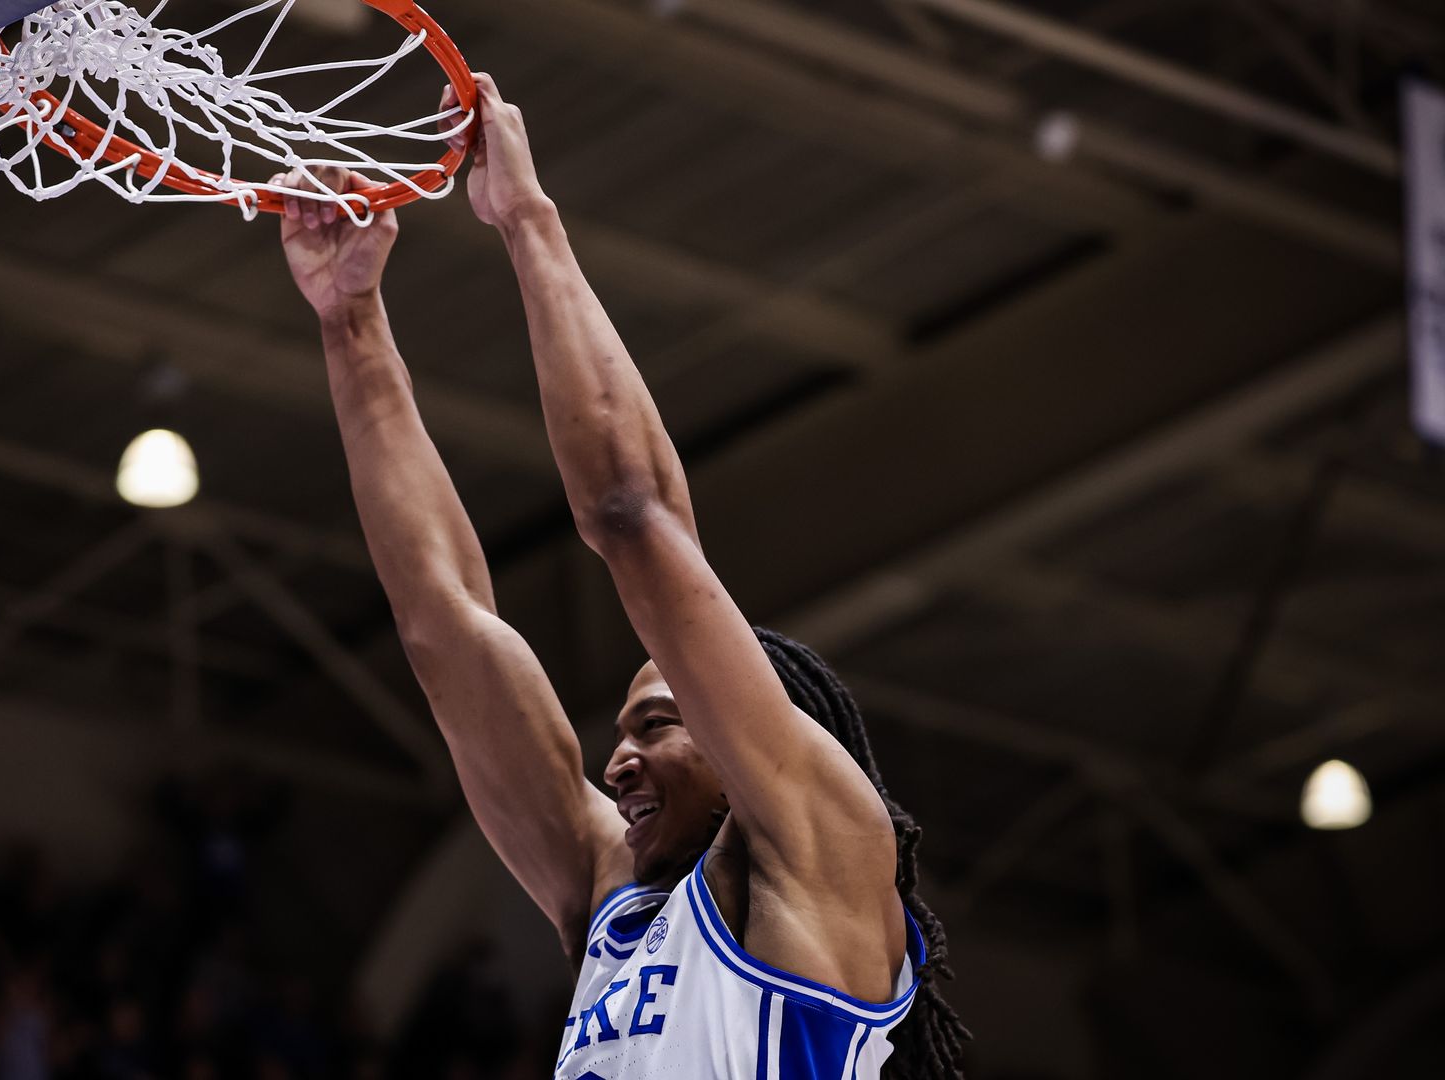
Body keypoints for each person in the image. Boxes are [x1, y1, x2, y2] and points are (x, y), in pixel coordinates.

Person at [273, 73, 967, 1080]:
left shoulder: (829, 859)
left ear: (749, 733)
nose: (617, 766)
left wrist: (525, 218)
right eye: (627, 733)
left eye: (655, 724)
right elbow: (443, 621)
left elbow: (634, 518)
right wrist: (350, 323)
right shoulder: (618, 894)